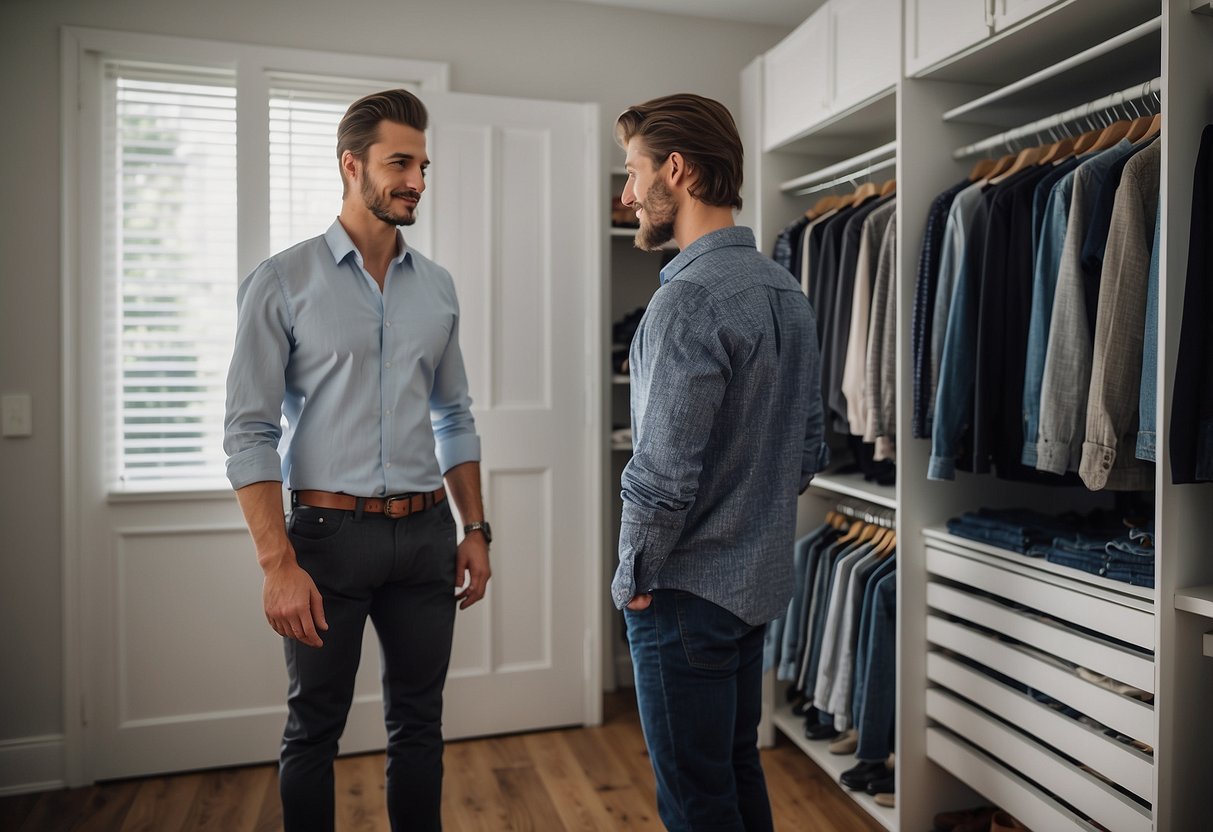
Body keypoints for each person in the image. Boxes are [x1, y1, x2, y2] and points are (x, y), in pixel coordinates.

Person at [223, 88, 492, 832]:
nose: (416, 180)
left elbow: (454, 414)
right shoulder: (282, 282)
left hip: (426, 535)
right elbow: (248, 430)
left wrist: (476, 527)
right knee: (314, 728)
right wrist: (277, 564)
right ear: (352, 165)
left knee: (420, 726)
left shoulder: (437, 287)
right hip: (326, 543)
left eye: (422, 165)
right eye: (398, 162)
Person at [611, 93, 828, 832]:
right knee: (733, 771)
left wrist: (634, 577)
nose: (626, 195)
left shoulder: (687, 302)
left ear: (678, 169)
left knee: (696, 799)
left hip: (681, 594)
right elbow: (805, 454)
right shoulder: (785, 292)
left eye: (634, 173)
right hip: (752, 587)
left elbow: (661, 476)